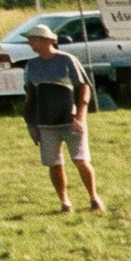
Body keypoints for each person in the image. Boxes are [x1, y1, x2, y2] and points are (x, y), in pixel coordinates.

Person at [19, 24, 102, 213]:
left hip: (71, 120)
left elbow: (83, 87)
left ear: (46, 41)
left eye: (33, 39)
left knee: (81, 160)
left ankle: (93, 197)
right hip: (46, 122)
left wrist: (80, 116)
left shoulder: (67, 60)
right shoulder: (32, 65)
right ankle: (65, 202)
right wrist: (31, 125)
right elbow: (30, 96)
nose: (30, 42)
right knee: (55, 164)